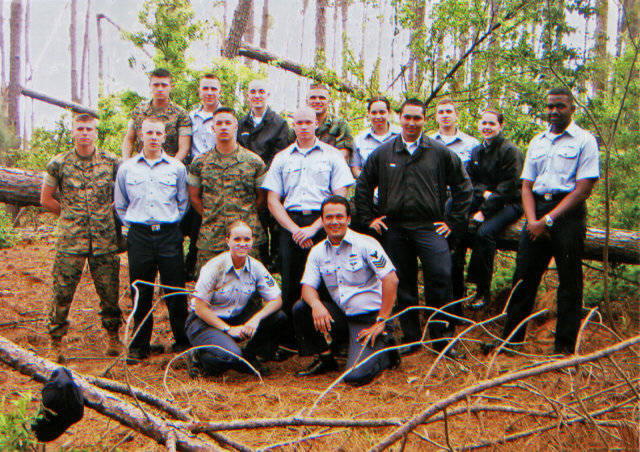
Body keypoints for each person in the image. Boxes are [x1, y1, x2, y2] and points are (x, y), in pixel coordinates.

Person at [355, 98, 472, 359]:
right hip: (395, 229)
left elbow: (464, 186)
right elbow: (362, 186)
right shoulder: (384, 152)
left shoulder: (439, 152)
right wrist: (369, 219)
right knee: (404, 283)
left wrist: (453, 222)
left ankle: (442, 340)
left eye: (417, 118)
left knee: (441, 277)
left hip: (429, 228)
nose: (411, 123)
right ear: (399, 118)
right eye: (407, 117)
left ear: (424, 120)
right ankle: (411, 338)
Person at [491, 87, 600, 356]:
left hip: (568, 214)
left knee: (570, 282)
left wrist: (548, 220)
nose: (553, 111)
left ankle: (564, 347)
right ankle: (511, 341)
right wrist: (533, 220)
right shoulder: (537, 142)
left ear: (572, 108)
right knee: (523, 278)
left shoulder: (584, 141)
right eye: (550, 106)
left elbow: (583, 189)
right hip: (536, 212)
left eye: (560, 106)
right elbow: (526, 186)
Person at [262, 106, 354, 349]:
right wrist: (294, 230)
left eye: (308, 122)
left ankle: (325, 340)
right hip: (290, 224)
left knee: (326, 281)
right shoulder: (282, 158)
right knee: (291, 282)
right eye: (299, 122)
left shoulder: (332, 155)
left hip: (325, 223)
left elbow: (340, 196)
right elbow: (273, 200)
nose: (303, 126)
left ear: (316, 124)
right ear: (293, 124)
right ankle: (292, 341)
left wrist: (315, 228)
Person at [293, 196, 401, 386]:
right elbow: (307, 287)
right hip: (344, 315)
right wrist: (317, 304)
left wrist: (382, 320)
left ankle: (387, 350)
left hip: (370, 318)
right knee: (302, 307)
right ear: (323, 220)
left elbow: (391, 279)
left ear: (348, 219)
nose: (334, 221)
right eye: (329, 217)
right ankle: (326, 359)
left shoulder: (366, 244)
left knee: (355, 377)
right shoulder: (318, 251)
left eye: (339, 216)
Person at [41, 114, 122, 363]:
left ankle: (113, 338)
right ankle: (55, 343)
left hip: (104, 238)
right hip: (71, 240)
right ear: (73, 132)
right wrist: (71, 216)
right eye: (80, 128)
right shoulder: (59, 163)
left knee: (109, 291)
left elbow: (122, 195)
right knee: (62, 292)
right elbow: (46, 199)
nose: (85, 133)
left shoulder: (112, 162)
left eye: (89, 129)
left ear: (96, 133)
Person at [115, 118, 191, 363]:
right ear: (140, 135)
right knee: (141, 291)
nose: (154, 137)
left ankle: (182, 342)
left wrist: (167, 222)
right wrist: (135, 224)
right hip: (139, 236)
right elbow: (120, 204)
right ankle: (139, 346)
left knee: (176, 292)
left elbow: (183, 203)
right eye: (149, 132)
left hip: (169, 235)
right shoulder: (127, 168)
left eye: (158, 133)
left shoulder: (176, 168)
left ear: (165, 135)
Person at [186, 221, 286, 376]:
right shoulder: (214, 268)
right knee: (229, 357)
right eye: (237, 239)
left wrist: (256, 319)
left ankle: (248, 358)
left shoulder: (256, 267)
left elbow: (276, 299)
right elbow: (200, 308)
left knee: (278, 317)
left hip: (234, 318)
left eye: (247, 239)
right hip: (204, 322)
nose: (242, 244)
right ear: (228, 241)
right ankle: (198, 356)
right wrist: (228, 329)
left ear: (253, 241)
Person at [453, 109, 524, 310]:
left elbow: (509, 187)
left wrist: (484, 211)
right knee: (456, 217)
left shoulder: (510, 151)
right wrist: (485, 194)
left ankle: (482, 291)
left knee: (484, 233)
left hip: (510, 204)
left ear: (501, 126)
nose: (487, 127)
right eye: (483, 123)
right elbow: (470, 180)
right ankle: (456, 276)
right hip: (486, 198)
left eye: (492, 124)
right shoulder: (477, 150)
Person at [188, 107, 267, 271]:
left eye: (228, 123)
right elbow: (194, 197)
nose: (224, 127)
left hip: (245, 237)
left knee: (249, 289)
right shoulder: (200, 162)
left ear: (235, 126)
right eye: (219, 123)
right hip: (212, 238)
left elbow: (262, 198)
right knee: (208, 289)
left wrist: (245, 215)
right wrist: (212, 214)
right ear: (213, 128)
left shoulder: (254, 162)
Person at [237, 79, 292, 267]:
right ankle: (258, 259)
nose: (257, 95)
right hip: (246, 184)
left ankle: (277, 261)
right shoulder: (241, 123)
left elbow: (280, 154)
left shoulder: (279, 123)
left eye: (261, 91)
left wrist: (263, 174)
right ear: (248, 96)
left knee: (274, 222)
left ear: (268, 95)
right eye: (253, 92)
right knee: (255, 221)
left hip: (272, 181)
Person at [182, 74, 224, 280]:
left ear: (220, 91)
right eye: (205, 88)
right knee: (195, 218)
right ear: (199, 91)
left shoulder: (226, 116)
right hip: (196, 174)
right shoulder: (189, 117)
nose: (209, 93)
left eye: (213, 89)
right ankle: (191, 261)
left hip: (221, 175)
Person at [121, 68, 192, 161]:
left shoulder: (181, 114)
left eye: (164, 85)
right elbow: (129, 139)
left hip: (168, 167)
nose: (160, 89)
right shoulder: (139, 111)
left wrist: (171, 167)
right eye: (156, 85)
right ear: (150, 86)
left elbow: (184, 148)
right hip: (141, 165)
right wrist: (126, 162)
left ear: (171, 86)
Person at [350, 96, 401, 178]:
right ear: (368, 114)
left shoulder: (401, 136)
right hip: (369, 187)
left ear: (389, 113)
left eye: (382, 112)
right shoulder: (359, 140)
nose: (378, 117)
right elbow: (355, 169)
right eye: (374, 113)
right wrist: (368, 183)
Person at [306, 84, 354, 161]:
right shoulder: (299, 125)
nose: (317, 101)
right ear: (306, 101)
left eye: (322, 98)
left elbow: (343, 156)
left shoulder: (340, 125)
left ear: (329, 102)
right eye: (313, 98)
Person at [430, 98, 479, 167]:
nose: (445, 116)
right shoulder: (428, 143)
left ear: (457, 115)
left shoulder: (471, 144)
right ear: (436, 117)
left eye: (449, 111)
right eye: (441, 112)